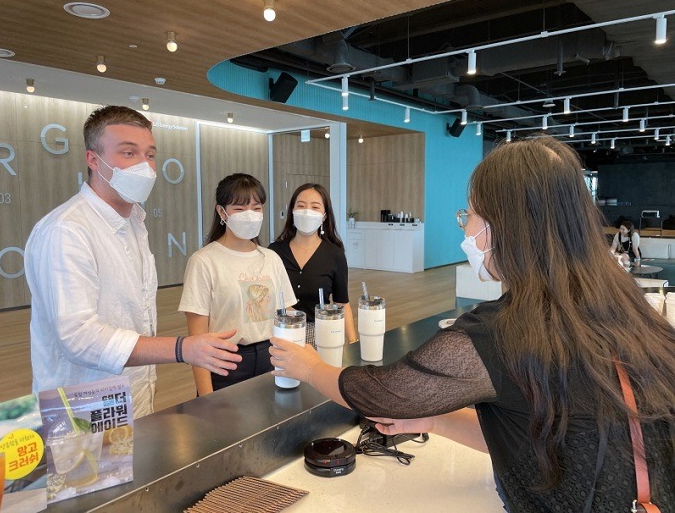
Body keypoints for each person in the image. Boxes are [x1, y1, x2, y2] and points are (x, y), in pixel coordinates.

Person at [270, 137, 675, 511]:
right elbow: (540, 435)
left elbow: (383, 395)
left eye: (470, 214)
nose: (465, 227)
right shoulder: (619, 307)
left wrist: (309, 366)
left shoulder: (502, 332)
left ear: (506, 224)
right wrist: (437, 420)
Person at [25, 105, 241, 418]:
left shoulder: (134, 223)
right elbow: (79, 337)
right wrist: (182, 348)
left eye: (150, 155)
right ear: (93, 160)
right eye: (128, 153)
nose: (144, 165)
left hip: (130, 400)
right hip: (79, 411)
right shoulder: (67, 230)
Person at [179, 173, 297, 395]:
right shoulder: (203, 261)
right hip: (226, 363)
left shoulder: (271, 258)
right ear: (221, 212)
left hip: (272, 359)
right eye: (239, 209)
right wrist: (206, 398)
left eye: (256, 208)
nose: (249, 215)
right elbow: (197, 340)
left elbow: (288, 313)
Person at [269, 183, 357, 345]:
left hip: (319, 335)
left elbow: (342, 303)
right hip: (280, 333)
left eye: (315, 207)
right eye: (301, 206)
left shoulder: (334, 254)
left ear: (324, 216)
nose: (307, 211)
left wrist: (353, 343)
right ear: (292, 211)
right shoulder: (274, 251)